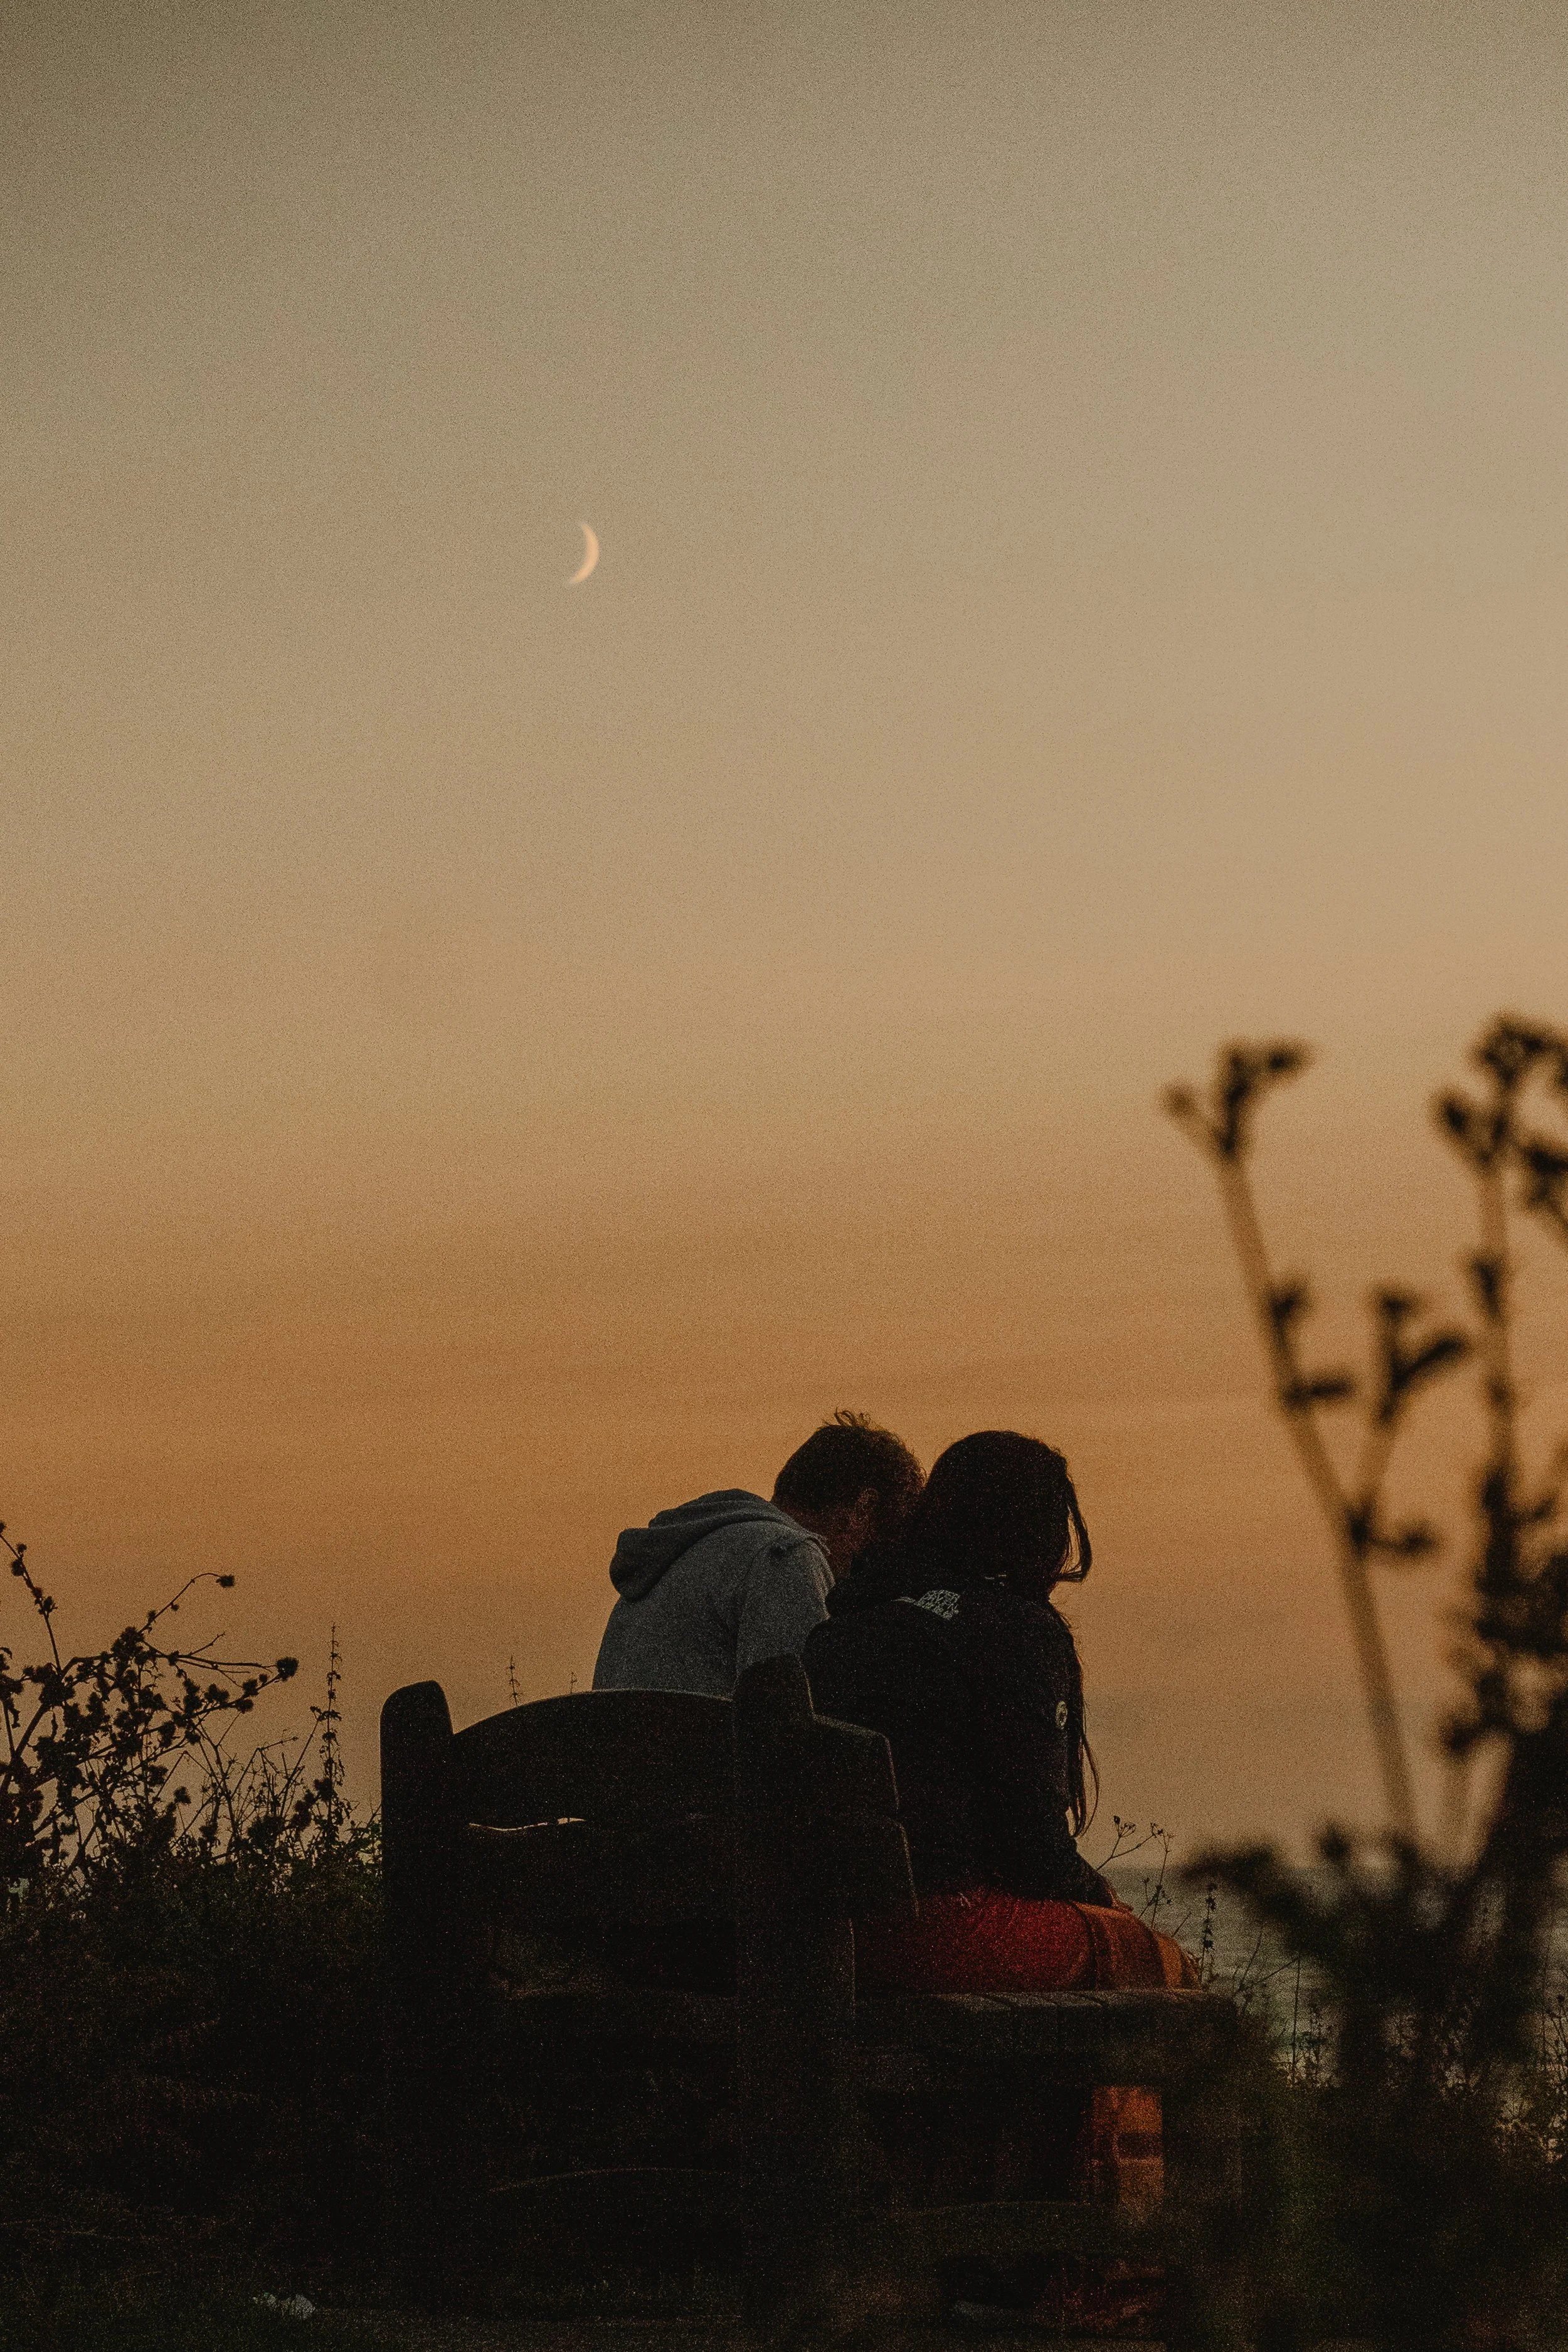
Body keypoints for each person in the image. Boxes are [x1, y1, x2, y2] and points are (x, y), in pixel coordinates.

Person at [802, 1428, 1197, 2278]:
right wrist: (1113, 1911)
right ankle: (1129, 2266)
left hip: (828, 1946)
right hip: (942, 1933)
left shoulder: (840, 1630)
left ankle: (1006, 2251)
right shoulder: (1012, 1631)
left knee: (1090, 1955)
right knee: (1160, 1971)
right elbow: (1031, 1854)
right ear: (1039, 1535)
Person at [591, 1411, 924, 1698]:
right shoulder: (786, 1558)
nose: (862, 1569)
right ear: (863, 1509)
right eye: (881, 1540)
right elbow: (797, 1727)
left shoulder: (685, 1551)